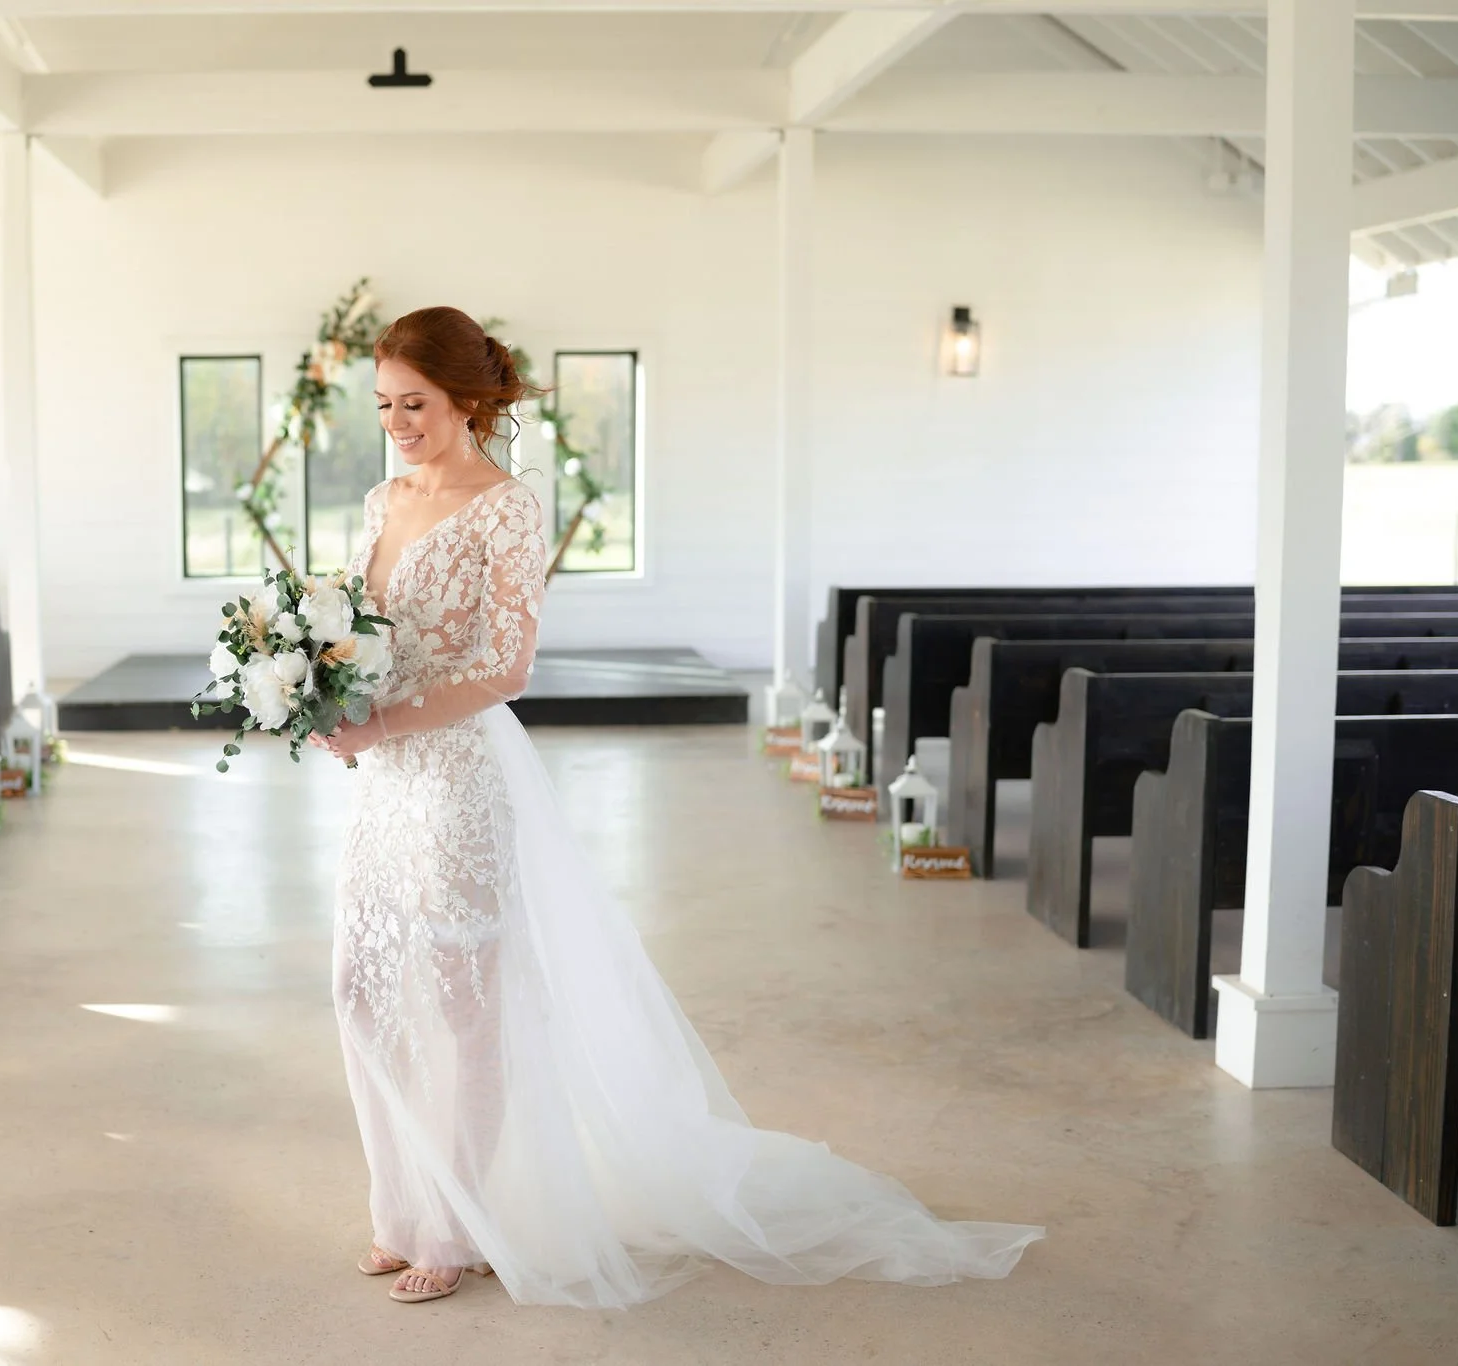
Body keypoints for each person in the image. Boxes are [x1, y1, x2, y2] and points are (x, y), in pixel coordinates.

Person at [308, 306, 1042, 1308]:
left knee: (461, 1004)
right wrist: (320, 689)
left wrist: (385, 727)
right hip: (383, 780)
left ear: (466, 398)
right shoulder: (380, 496)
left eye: (415, 403)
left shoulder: (505, 506)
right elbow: (362, 629)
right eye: (385, 404)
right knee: (362, 987)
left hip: (458, 777)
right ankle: (399, 1206)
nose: (397, 421)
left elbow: (505, 666)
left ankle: (457, 1225)